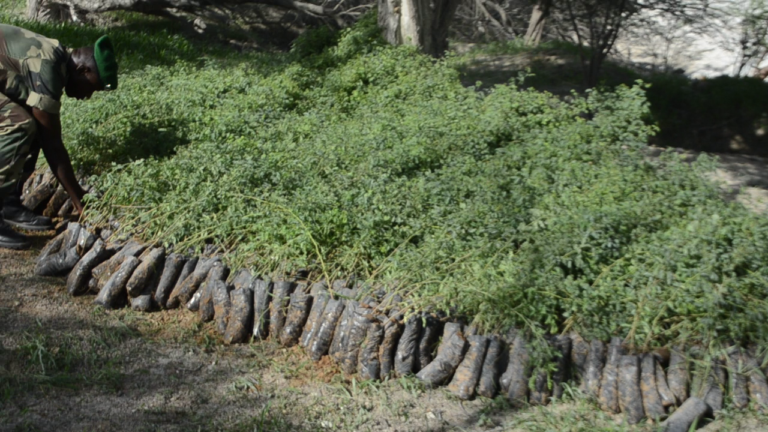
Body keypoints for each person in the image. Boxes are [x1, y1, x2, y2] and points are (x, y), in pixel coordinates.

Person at [0, 24, 117, 250]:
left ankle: (9, 204)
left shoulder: (56, 57)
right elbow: (52, 142)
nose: (87, 96)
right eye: (92, 88)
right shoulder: (49, 64)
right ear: (84, 70)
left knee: (32, 119)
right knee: (20, 124)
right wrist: (79, 199)